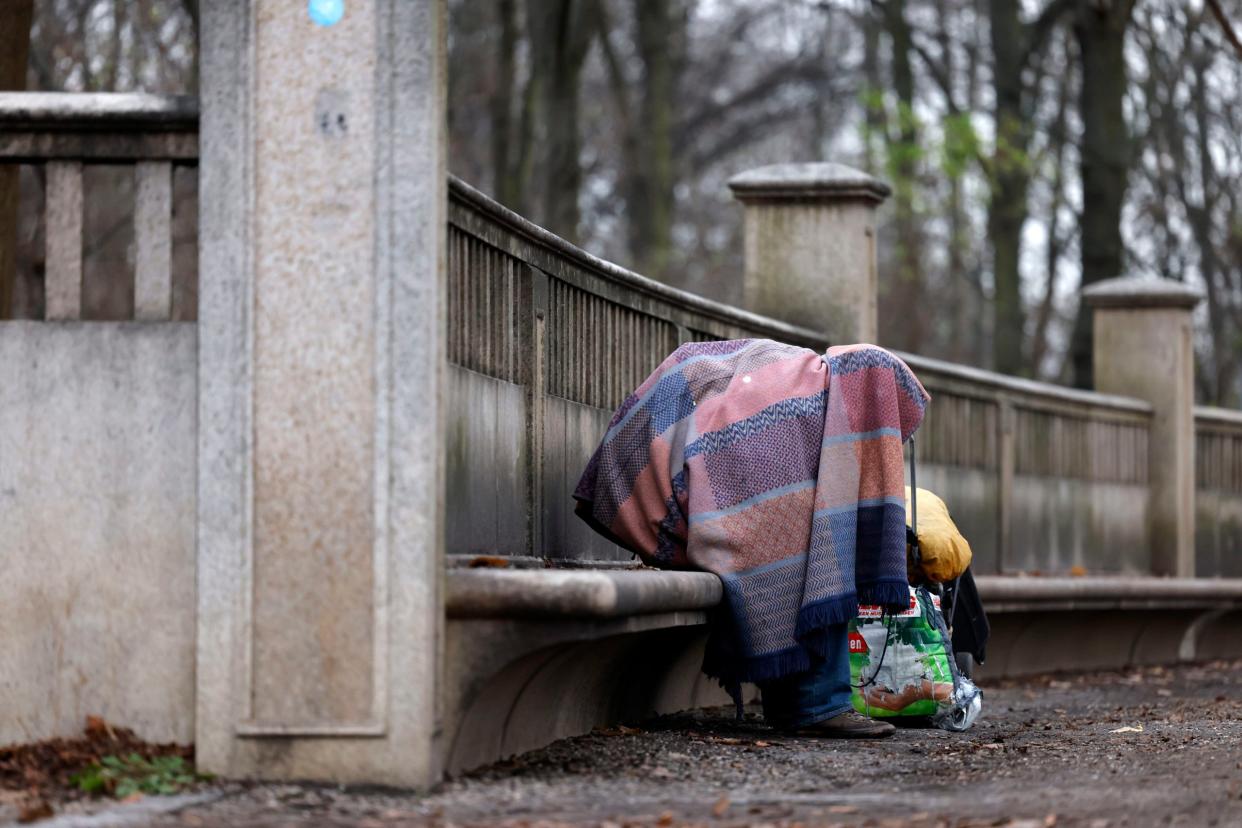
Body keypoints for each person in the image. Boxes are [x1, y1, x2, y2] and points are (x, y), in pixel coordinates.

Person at [574, 339, 929, 738]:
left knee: (819, 545)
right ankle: (816, 705)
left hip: (666, 461)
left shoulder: (813, 389)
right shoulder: (803, 404)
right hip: (658, 476)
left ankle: (810, 701)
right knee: (818, 554)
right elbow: (766, 502)